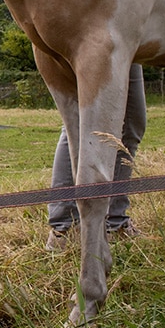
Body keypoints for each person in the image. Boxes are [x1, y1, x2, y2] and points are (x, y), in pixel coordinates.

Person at [45, 64, 146, 251]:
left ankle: (113, 222)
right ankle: (66, 227)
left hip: (131, 43)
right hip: (102, 38)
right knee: (79, 122)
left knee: (131, 122)